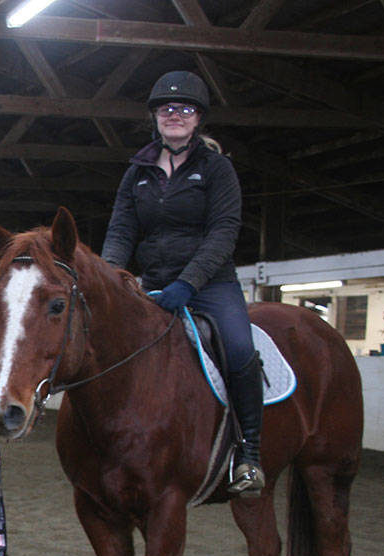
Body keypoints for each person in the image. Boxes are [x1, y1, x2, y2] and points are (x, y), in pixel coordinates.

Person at [100, 70, 265, 497]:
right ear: (155, 116)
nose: (175, 115)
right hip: (153, 283)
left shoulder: (217, 169)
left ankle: (249, 453)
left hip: (210, 284)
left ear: (198, 119)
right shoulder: (136, 173)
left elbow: (224, 231)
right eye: (167, 109)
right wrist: (110, 279)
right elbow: (121, 231)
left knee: (240, 348)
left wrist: (189, 283)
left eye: (185, 109)